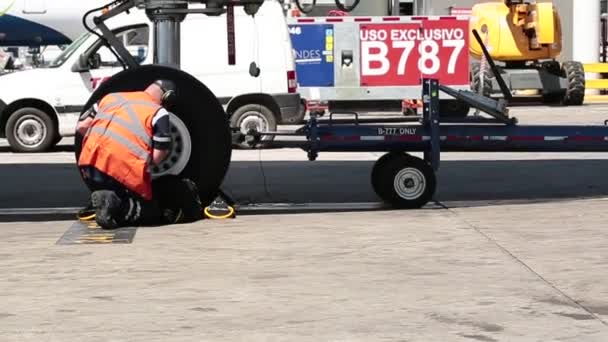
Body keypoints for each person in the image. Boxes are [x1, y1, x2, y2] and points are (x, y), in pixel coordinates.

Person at [76, 80, 202, 229]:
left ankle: (108, 197)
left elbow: (82, 126)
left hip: (88, 167)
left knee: (116, 188)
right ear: (167, 97)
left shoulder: (110, 97)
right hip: (119, 170)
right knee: (150, 212)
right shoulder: (158, 112)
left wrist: (102, 142)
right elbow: (157, 157)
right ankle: (117, 205)